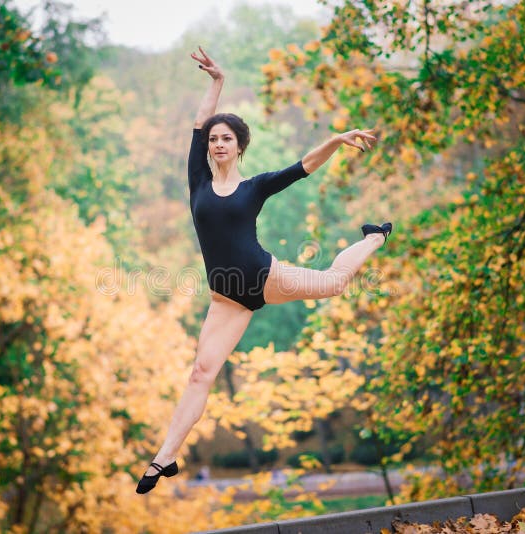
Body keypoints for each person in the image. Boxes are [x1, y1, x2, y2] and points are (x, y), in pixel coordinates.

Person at [136, 47, 392, 494]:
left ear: (239, 146)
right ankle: (165, 459)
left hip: (264, 277)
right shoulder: (197, 177)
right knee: (201, 373)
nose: (217, 144)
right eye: (213, 139)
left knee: (333, 282)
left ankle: (374, 237)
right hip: (226, 299)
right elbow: (198, 122)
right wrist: (216, 82)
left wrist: (336, 139)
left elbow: (303, 167)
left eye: (226, 139)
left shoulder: (254, 188)